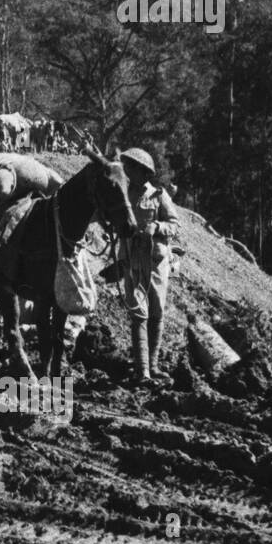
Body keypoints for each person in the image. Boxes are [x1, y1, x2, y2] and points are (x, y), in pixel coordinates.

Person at [117, 148, 180, 384]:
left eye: (132, 167)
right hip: (132, 259)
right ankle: (142, 370)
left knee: (157, 312)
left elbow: (174, 224)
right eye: (127, 166)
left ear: (144, 171)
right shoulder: (123, 193)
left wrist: (157, 227)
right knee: (138, 313)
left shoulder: (159, 195)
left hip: (155, 261)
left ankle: (152, 366)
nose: (128, 171)